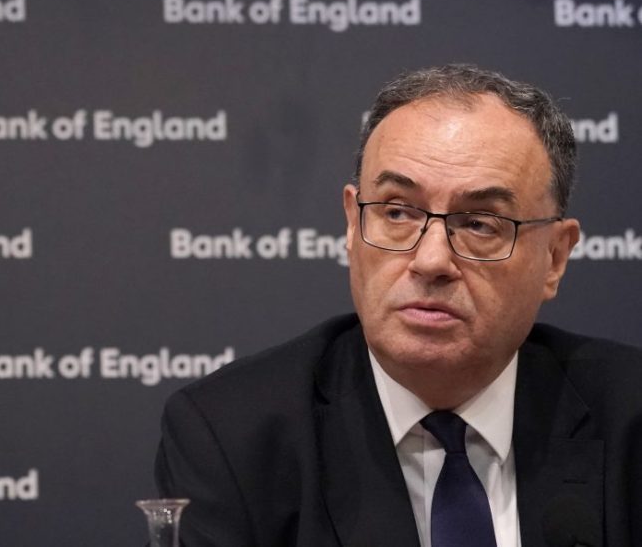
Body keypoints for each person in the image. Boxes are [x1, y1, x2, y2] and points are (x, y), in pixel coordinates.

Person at [153, 64, 642, 547]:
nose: (431, 261)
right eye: (397, 212)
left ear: (555, 257)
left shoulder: (629, 419)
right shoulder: (233, 438)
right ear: (351, 224)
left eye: (480, 224)